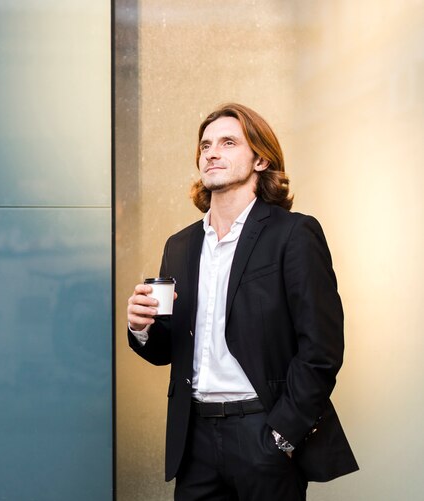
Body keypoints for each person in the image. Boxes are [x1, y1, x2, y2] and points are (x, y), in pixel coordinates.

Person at [127, 103, 358, 501]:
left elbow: (321, 349)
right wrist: (142, 328)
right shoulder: (180, 245)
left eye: (228, 142)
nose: (211, 152)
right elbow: (169, 349)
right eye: (205, 145)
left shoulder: (294, 234)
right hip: (194, 439)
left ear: (261, 159)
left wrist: (282, 437)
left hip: (263, 433)